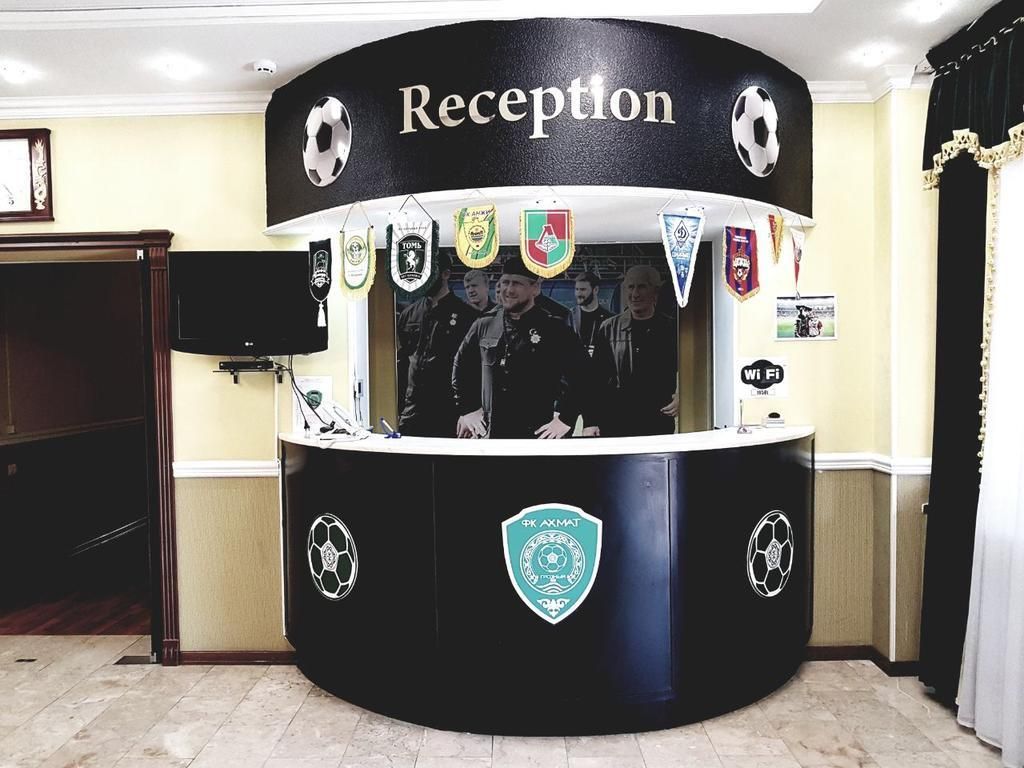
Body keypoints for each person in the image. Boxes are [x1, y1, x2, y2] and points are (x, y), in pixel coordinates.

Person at [452, 257, 592, 439]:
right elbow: (461, 367)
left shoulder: (553, 329)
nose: (509, 290)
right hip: (491, 435)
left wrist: (566, 418)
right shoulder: (484, 325)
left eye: (517, 283)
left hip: (535, 436)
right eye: (505, 283)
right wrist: (468, 409)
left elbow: (585, 375)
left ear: (535, 288)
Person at [396, 253, 478, 437]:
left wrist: (469, 409)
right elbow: (403, 363)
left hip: (449, 412)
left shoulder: (467, 316)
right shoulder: (409, 314)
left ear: (445, 274)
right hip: (412, 411)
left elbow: (473, 369)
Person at [592, 265, 678, 437]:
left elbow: (689, 369)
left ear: (655, 291)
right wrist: (592, 420)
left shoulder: (672, 328)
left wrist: (683, 395)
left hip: (657, 421)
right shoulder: (608, 328)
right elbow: (596, 379)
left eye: (642, 286)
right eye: (630, 287)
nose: (635, 294)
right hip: (615, 421)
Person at [568, 271, 613, 358]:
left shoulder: (609, 319)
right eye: (576, 289)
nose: (578, 294)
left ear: (595, 290)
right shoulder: (569, 317)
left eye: (583, 289)